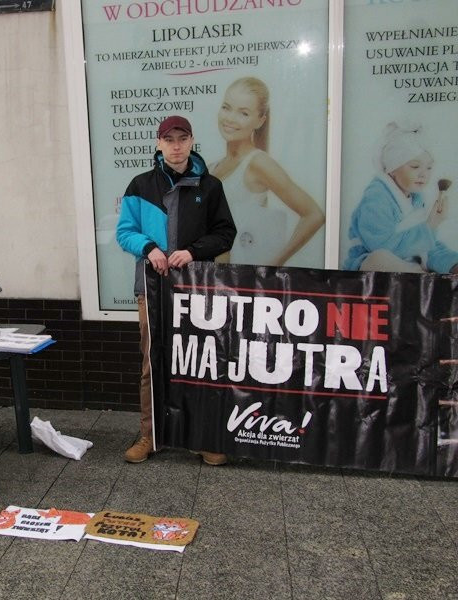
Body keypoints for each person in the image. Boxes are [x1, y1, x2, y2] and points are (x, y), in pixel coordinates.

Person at [116, 115, 236, 465]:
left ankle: (201, 438)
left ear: (192, 141)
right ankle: (149, 436)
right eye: (169, 139)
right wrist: (150, 247)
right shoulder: (140, 185)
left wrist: (194, 251)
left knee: (198, 361)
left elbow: (225, 232)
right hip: (151, 290)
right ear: (159, 144)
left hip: (198, 289)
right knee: (151, 363)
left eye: (182, 138)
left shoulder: (210, 186)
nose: (176, 145)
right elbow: (125, 232)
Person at [210, 77, 324, 266]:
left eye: (243, 113)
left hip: (243, 279)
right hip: (214, 278)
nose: (230, 118)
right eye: (226, 107)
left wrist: (274, 263)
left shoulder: (258, 163)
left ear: (260, 120)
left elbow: (314, 215)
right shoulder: (211, 167)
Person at [343, 121, 458, 274]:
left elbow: (427, 245)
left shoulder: (416, 200)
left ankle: (424, 275)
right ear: (392, 168)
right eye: (415, 166)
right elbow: (382, 247)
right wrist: (429, 226)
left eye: (429, 167)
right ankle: (423, 276)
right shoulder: (376, 198)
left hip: (410, 266)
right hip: (369, 266)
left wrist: (452, 265)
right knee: (379, 258)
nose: (424, 174)